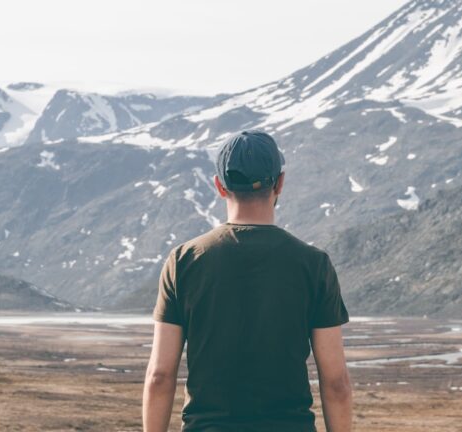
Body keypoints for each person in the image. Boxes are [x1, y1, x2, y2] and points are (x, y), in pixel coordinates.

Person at [142, 130, 352, 432]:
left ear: (219, 186)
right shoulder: (313, 264)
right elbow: (336, 383)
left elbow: (160, 376)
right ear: (280, 183)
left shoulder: (184, 261)